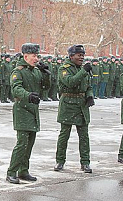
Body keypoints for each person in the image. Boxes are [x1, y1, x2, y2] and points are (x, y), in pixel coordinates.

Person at [6, 43, 50, 184]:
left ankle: (23, 171)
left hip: (33, 111)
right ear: (25, 56)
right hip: (22, 110)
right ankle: (12, 172)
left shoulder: (35, 71)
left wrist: (46, 74)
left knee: (30, 143)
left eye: (37, 56)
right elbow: (16, 89)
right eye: (34, 56)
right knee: (22, 144)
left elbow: (45, 87)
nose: (36, 59)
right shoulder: (18, 72)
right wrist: (28, 95)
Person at [54, 45, 94, 174]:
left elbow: (88, 85)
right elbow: (70, 82)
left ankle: (85, 162)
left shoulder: (82, 69)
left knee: (84, 137)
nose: (81, 57)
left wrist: (89, 96)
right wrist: (84, 72)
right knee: (64, 135)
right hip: (68, 104)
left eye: (83, 55)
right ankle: (60, 161)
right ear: (71, 56)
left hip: (81, 106)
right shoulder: (64, 69)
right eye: (78, 55)